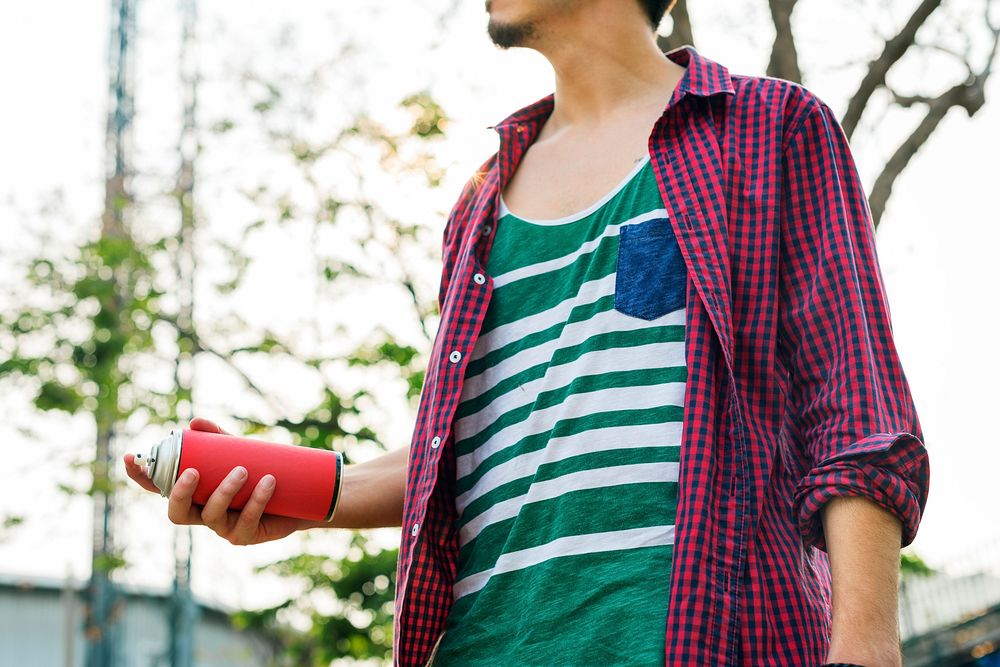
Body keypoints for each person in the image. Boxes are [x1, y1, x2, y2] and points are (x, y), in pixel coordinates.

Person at [126, 1, 931, 665]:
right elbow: (464, 452)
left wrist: (864, 642)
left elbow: (852, 402)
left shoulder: (768, 130)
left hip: (694, 638)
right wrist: (312, 493)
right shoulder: (480, 204)